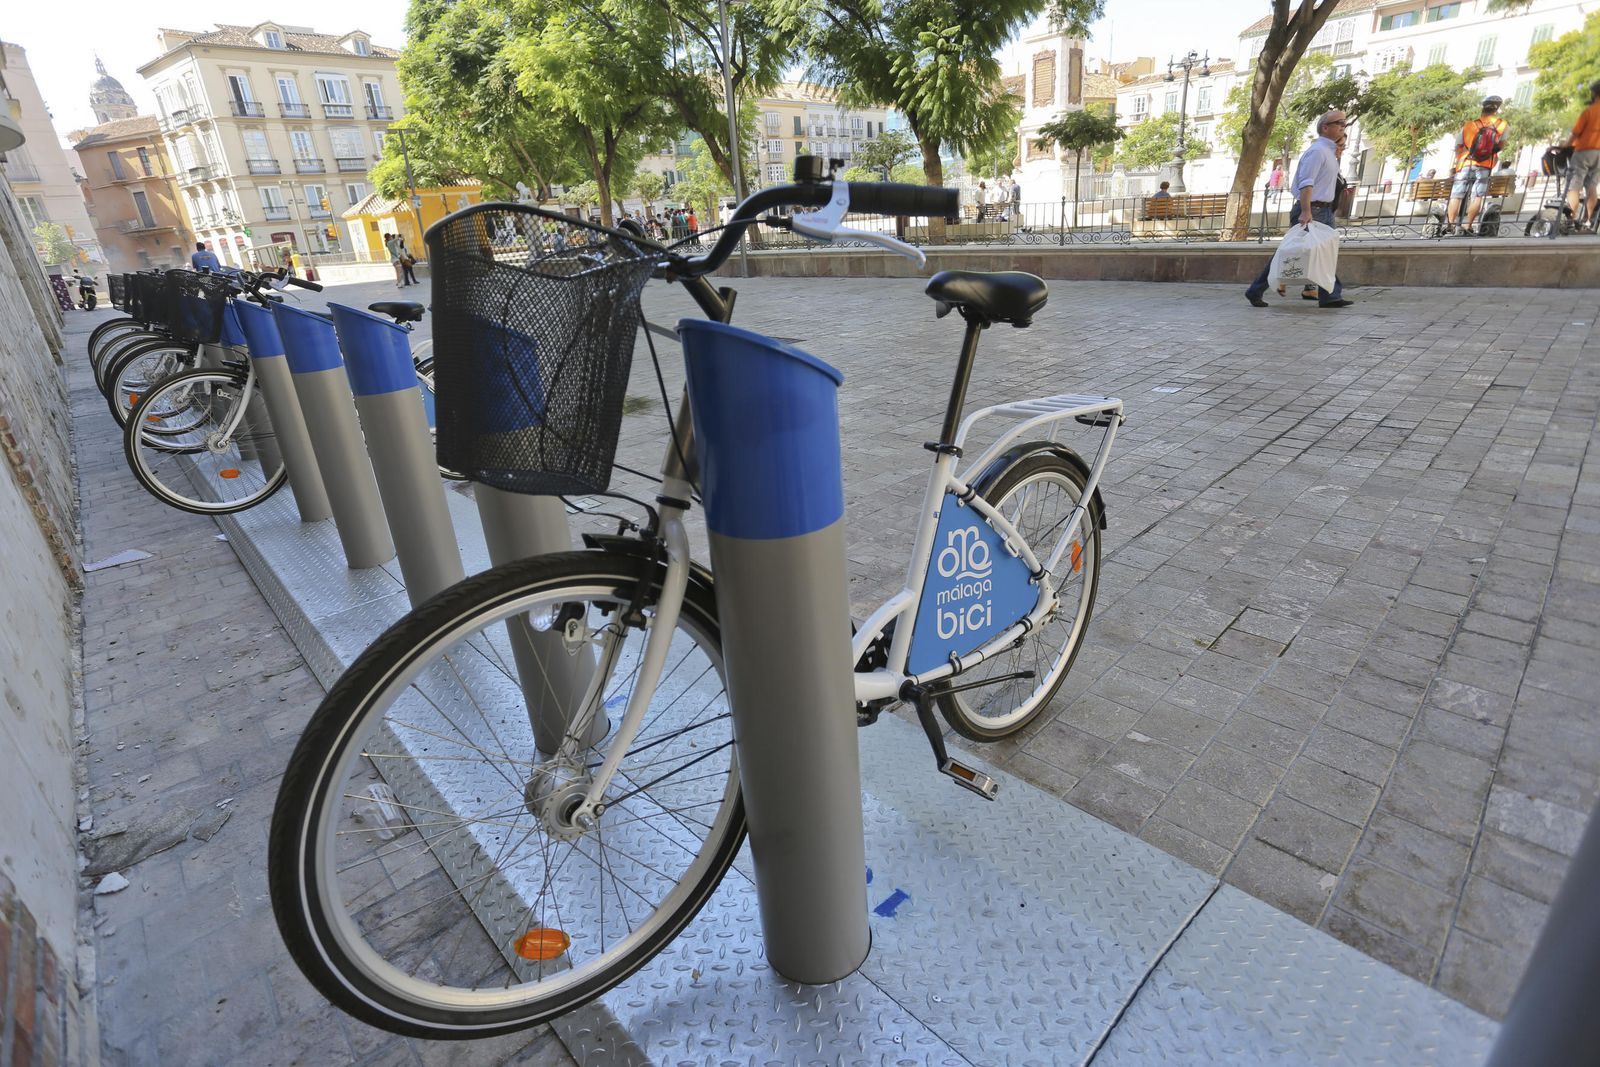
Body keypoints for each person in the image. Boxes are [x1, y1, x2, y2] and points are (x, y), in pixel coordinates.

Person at [1245, 109, 1352, 309]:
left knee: (1325, 252)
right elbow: (1306, 183)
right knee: (1289, 252)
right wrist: (1306, 210)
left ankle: (1330, 295)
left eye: (1344, 123)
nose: (1343, 126)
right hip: (1313, 209)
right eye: (1339, 123)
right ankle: (1256, 289)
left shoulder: (1328, 153)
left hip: (1323, 209)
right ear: (1325, 127)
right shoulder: (1317, 151)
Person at [1443, 95, 1508, 236]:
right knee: (1477, 195)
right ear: (1497, 109)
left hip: (1465, 163)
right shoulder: (1502, 125)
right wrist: (1486, 153)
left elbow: (1458, 145)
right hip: (1485, 164)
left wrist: (1462, 156)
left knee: (1456, 195)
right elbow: (1501, 146)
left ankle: (1451, 225)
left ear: (1482, 109)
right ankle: (1468, 226)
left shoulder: (1470, 125)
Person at [1561, 80, 1600, 228]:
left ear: (1594, 93)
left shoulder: (1589, 111)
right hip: (1599, 154)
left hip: (1584, 151)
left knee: (1574, 186)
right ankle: (1588, 222)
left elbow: (1575, 133)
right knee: (1592, 187)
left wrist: (1564, 145)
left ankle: (1571, 220)